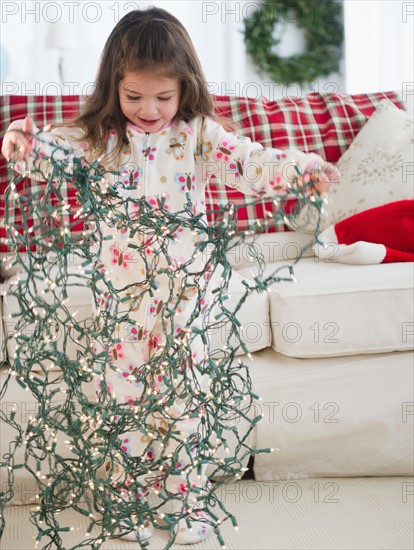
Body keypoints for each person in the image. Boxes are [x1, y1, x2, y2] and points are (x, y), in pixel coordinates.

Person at [2, 7, 338, 546]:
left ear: (186, 87)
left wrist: (305, 168)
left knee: (186, 403)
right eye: (135, 97)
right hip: (124, 307)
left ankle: (185, 501)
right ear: (115, 87)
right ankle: (127, 500)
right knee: (124, 402)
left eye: (164, 96)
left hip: (189, 302)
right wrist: (23, 145)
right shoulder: (100, 139)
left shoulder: (200, 135)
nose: (150, 110)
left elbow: (254, 165)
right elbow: (49, 156)